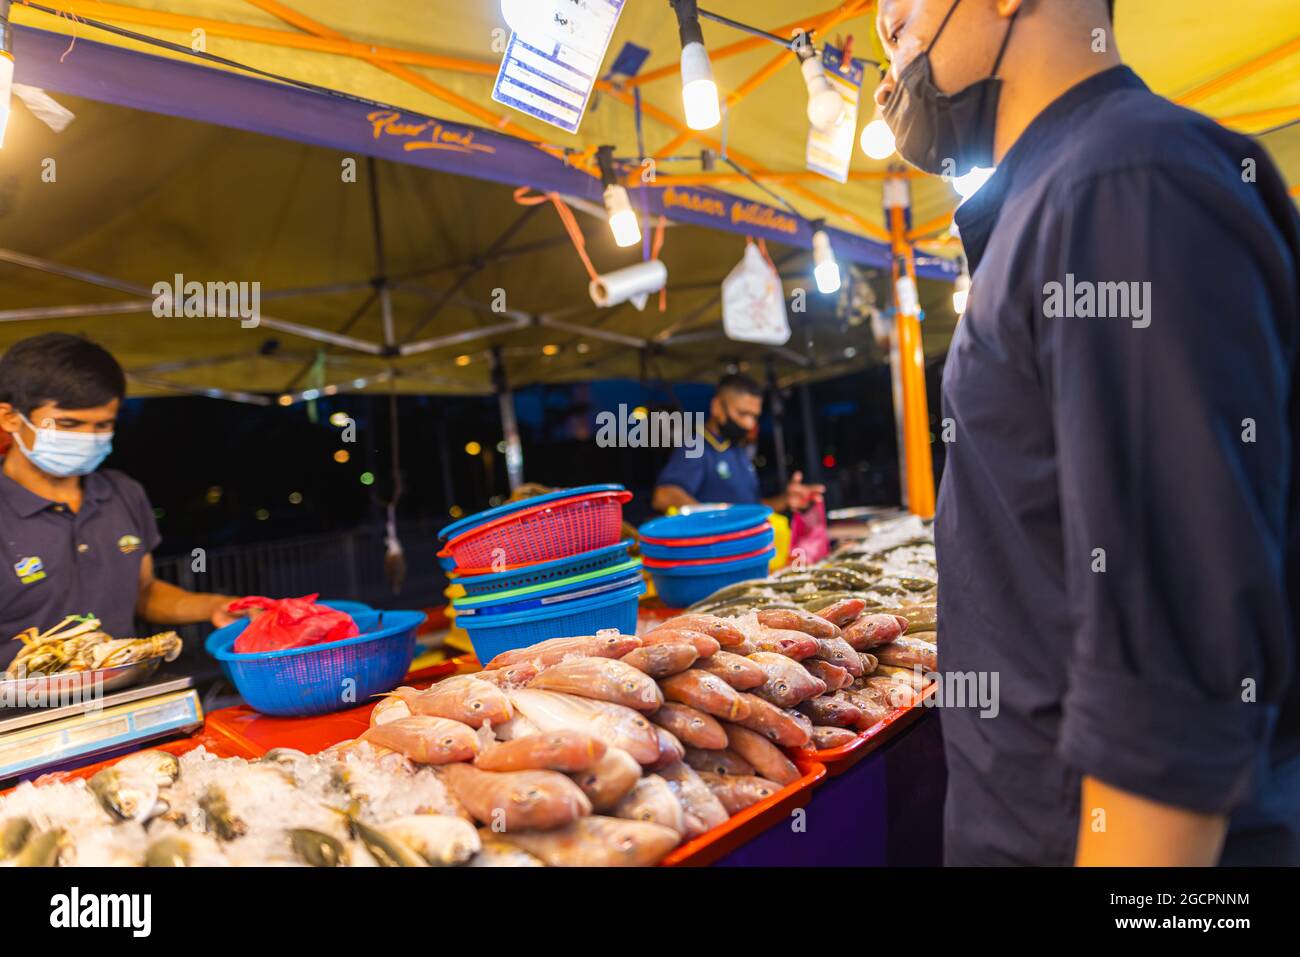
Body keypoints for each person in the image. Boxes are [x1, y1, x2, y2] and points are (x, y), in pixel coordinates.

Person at [876, 0, 1299, 865]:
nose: (886, 24)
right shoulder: (1056, 197)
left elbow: (1172, 703)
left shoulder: (1123, 186)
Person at [0, 333, 246, 671]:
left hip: (122, 697)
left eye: (103, 425)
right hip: (20, 715)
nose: (88, 438)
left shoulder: (122, 493)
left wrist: (216, 606)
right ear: (10, 418)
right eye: (68, 424)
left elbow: (142, 592)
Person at [651, 373, 824, 514]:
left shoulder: (736, 448)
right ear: (717, 407)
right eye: (742, 414)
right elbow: (664, 495)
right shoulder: (697, 446)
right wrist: (715, 518)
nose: (750, 424)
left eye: (755, 416)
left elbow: (749, 507)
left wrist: (785, 500)